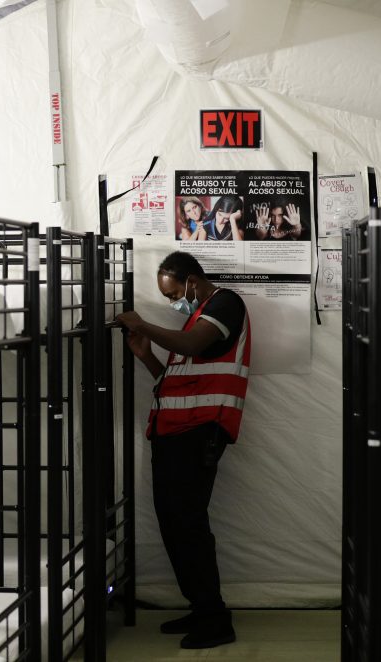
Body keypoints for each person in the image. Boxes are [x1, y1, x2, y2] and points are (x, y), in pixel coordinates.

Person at [114, 251, 251, 650]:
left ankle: (215, 618)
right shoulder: (196, 315)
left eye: (175, 294)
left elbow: (193, 344)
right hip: (177, 433)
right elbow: (176, 382)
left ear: (192, 281)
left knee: (188, 525)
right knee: (175, 525)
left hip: (199, 433)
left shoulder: (225, 303)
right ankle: (202, 607)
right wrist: (147, 357)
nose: (175, 303)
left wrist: (143, 325)